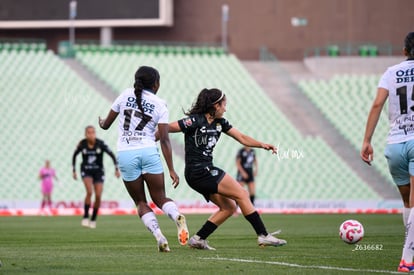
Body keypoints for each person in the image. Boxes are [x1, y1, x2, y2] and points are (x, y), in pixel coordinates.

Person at [166, 88, 287, 250]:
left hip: (202, 172)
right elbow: (166, 128)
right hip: (199, 171)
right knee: (242, 194)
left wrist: (262, 145)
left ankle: (198, 239)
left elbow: (242, 138)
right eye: (224, 105)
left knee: (229, 207)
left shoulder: (220, 123)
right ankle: (263, 235)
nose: (225, 108)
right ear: (216, 105)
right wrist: (149, 137)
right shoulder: (194, 121)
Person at [98, 65, 189, 252]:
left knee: (141, 202)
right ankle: (177, 215)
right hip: (149, 151)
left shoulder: (124, 95)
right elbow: (164, 139)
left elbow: (106, 125)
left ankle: (159, 236)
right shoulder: (160, 103)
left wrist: (100, 121)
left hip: (126, 153)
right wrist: (171, 169)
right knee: (160, 197)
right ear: (156, 84)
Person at [360, 32, 414, 273]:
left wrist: (367, 140)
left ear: (404, 51)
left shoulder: (391, 72)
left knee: (408, 202)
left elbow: (376, 104)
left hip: (394, 145)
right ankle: (407, 258)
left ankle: (410, 249)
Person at [72, 125, 120, 229]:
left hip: (98, 171)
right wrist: (74, 171)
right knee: (89, 192)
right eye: (89, 132)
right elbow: (74, 155)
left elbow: (111, 154)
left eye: (93, 132)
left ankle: (93, 219)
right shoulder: (82, 144)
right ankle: (85, 216)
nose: (91, 134)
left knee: (98, 195)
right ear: (85, 134)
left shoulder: (100, 143)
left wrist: (116, 169)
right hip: (86, 170)